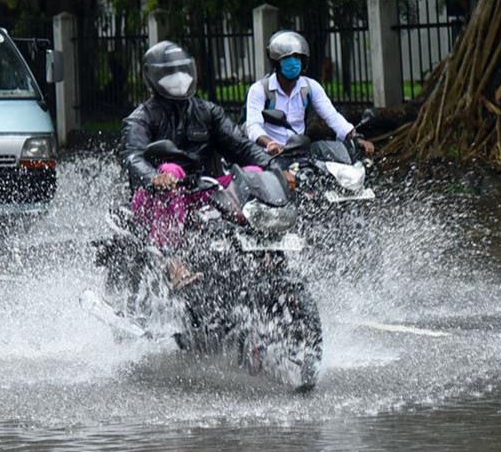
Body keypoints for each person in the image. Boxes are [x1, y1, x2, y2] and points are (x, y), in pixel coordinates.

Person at [121, 41, 283, 288]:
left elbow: (241, 147)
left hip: (206, 192)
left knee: (252, 174)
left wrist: (274, 168)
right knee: (170, 170)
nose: (177, 79)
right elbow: (133, 157)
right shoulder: (141, 118)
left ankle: (264, 253)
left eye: (181, 71)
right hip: (156, 197)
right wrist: (154, 177)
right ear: (153, 76)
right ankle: (173, 262)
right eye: (169, 73)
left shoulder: (208, 112)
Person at [244, 30, 374, 157]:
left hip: (298, 152)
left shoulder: (310, 88)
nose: (293, 62)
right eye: (287, 58)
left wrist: (355, 138)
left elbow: (332, 117)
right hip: (268, 156)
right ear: (276, 62)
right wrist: (270, 144)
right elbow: (253, 126)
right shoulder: (260, 89)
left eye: (297, 57)